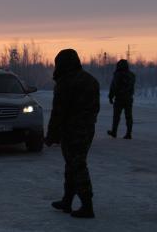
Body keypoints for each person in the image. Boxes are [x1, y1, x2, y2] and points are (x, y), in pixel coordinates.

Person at [45, 49, 100, 219]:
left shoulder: (65, 82)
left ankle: (87, 205)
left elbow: (58, 112)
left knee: (77, 165)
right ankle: (67, 201)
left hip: (72, 130)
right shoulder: (91, 80)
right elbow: (95, 108)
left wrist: (51, 135)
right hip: (87, 129)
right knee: (72, 164)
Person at [107, 59, 136, 139]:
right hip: (129, 98)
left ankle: (114, 132)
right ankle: (129, 133)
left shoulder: (117, 74)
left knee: (116, 116)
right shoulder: (132, 75)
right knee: (129, 116)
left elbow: (113, 86)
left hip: (119, 98)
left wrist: (110, 96)